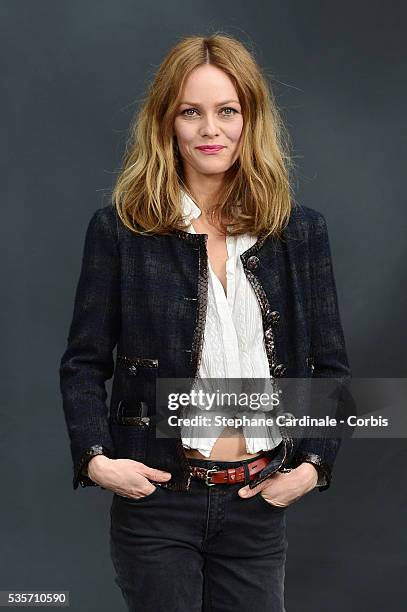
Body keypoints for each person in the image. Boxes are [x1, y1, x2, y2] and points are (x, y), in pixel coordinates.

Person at [59, 33, 351, 612]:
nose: (210, 130)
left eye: (227, 111)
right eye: (191, 112)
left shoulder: (299, 232)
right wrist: (96, 458)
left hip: (256, 503)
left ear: (251, 120)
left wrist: (314, 464)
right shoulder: (121, 231)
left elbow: (331, 367)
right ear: (167, 123)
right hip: (159, 501)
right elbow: (83, 364)